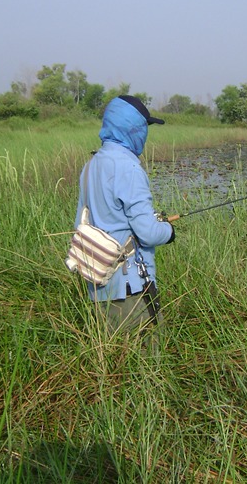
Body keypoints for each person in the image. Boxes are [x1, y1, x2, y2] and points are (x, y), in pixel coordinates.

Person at [74, 95, 175, 337]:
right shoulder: (129, 169)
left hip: (98, 285)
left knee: (113, 365)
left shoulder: (91, 165)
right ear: (134, 128)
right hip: (131, 289)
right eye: (144, 127)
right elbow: (149, 233)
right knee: (146, 366)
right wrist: (169, 232)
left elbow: (85, 220)